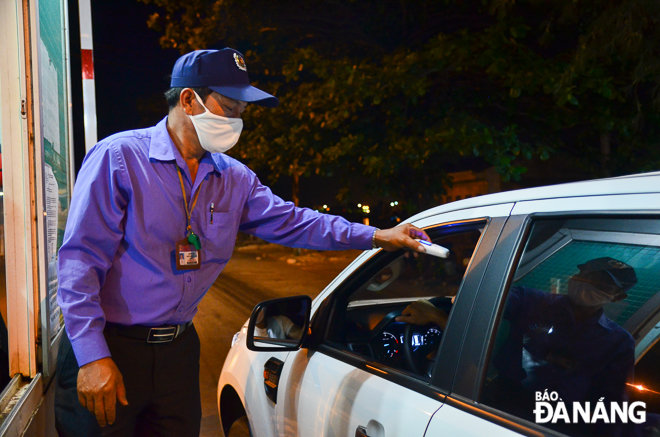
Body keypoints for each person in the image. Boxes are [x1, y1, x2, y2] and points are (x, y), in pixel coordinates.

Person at [55, 48, 431, 437]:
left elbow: (294, 221)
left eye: (242, 113)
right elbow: (80, 261)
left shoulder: (234, 178)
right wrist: (92, 356)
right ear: (189, 99)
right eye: (230, 108)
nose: (237, 121)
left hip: (178, 352)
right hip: (112, 347)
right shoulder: (119, 159)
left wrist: (374, 236)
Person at [398, 256, 638, 435]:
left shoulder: (618, 341)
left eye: (602, 285)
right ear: (573, 277)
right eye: (586, 276)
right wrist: (438, 312)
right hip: (497, 405)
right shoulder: (531, 300)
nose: (589, 285)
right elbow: (483, 303)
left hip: (558, 422)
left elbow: (611, 403)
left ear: (617, 297)